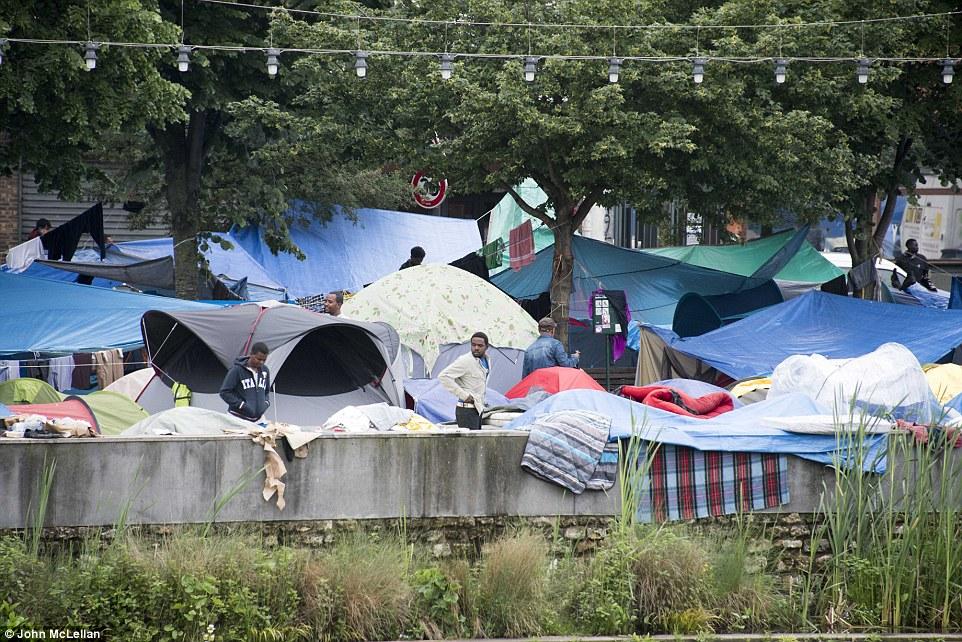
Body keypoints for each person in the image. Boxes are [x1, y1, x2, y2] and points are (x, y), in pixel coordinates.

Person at [438, 332, 490, 430]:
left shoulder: (487, 360)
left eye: (480, 345)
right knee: (470, 443)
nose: (476, 348)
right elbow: (443, 376)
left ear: (486, 347)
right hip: (466, 409)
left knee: (477, 442)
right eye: (473, 345)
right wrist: (464, 395)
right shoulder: (465, 360)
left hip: (478, 408)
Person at [219, 342, 271, 422]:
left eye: (264, 360)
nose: (261, 362)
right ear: (251, 354)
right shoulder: (236, 370)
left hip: (258, 420)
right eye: (259, 359)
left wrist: (266, 403)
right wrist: (241, 405)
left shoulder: (265, 370)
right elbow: (224, 392)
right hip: (238, 419)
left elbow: (266, 391)